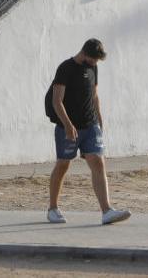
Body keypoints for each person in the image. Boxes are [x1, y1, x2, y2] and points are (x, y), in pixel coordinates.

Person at [44, 38, 131, 225]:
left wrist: (99, 119)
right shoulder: (65, 68)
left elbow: (94, 94)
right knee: (63, 165)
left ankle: (107, 210)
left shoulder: (94, 68)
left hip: (90, 125)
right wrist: (67, 125)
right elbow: (57, 101)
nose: (94, 64)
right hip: (67, 127)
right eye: (92, 60)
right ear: (84, 53)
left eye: (96, 62)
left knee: (98, 162)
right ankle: (53, 208)